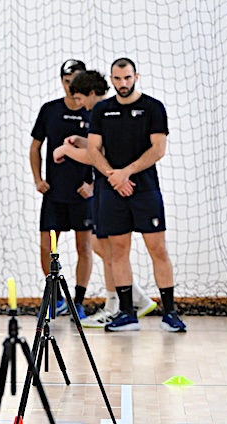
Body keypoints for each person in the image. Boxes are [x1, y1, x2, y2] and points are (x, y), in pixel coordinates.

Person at [86, 58, 186, 332]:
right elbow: (94, 150)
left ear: (136, 76)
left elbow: (158, 149)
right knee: (118, 250)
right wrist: (113, 177)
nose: (123, 84)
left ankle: (170, 313)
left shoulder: (153, 108)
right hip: (112, 190)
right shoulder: (102, 110)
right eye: (117, 79)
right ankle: (127, 313)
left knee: (158, 249)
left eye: (127, 78)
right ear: (112, 79)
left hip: (145, 190)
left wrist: (126, 173)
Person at [52, 70, 158, 328]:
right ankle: (131, 300)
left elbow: (95, 156)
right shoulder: (101, 112)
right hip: (108, 186)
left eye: (79, 98)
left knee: (109, 247)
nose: (78, 105)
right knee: (104, 247)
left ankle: (119, 304)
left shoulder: (104, 111)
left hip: (113, 187)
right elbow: (98, 148)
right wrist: (80, 141)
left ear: (90, 94)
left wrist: (68, 149)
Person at [29, 59, 94, 319]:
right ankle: (55, 299)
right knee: (47, 246)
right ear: (62, 81)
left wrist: (93, 185)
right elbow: (35, 147)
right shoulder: (50, 110)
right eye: (67, 82)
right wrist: (37, 178)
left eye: (75, 82)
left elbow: (104, 151)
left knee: (84, 247)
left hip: (82, 194)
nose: (71, 87)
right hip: (54, 193)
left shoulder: (93, 111)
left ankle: (78, 301)